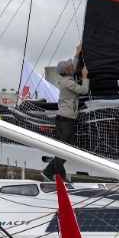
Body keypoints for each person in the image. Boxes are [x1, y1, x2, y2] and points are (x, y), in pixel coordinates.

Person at [43, 49, 89, 180]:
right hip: (65, 121)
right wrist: (85, 77)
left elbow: (74, 65)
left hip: (65, 119)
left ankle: (55, 174)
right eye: (70, 66)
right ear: (67, 71)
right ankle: (51, 173)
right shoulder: (67, 82)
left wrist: (77, 51)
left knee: (66, 149)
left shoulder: (67, 77)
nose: (72, 66)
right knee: (65, 150)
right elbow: (84, 90)